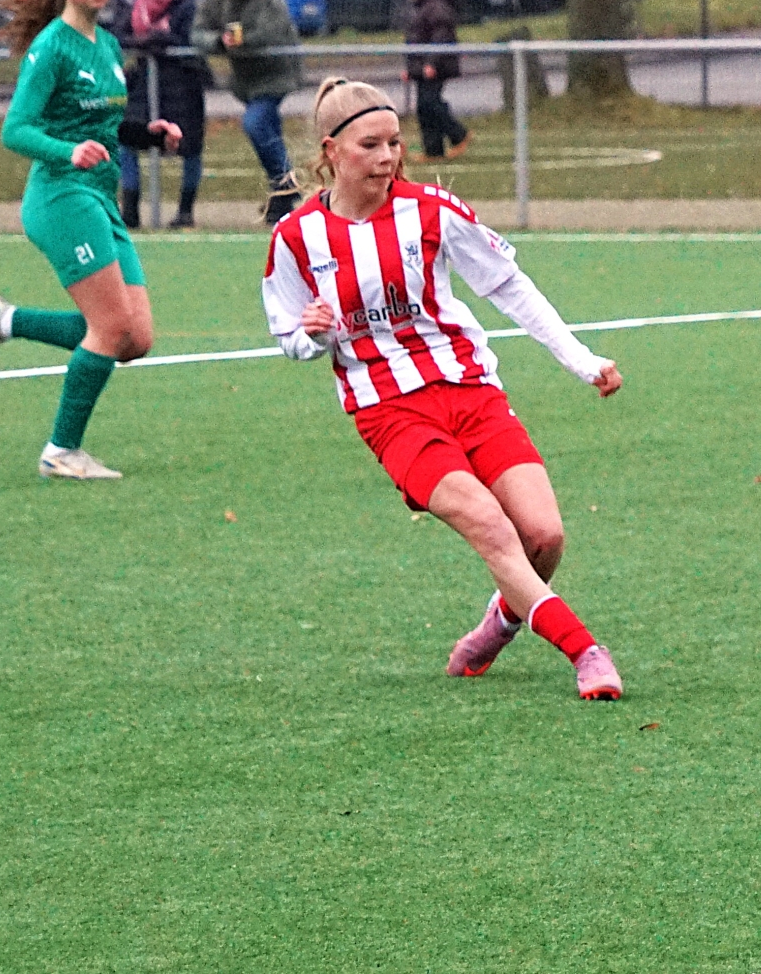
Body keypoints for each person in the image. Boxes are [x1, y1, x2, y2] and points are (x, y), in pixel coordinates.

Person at [262, 77, 625, 700]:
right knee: (491, 526)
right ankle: (585, 651)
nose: (387, 157)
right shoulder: (296, 237)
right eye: (370, 145)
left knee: (544, 536)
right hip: (389, 412)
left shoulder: (432, 210)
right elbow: (290, 336)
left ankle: (500, 624)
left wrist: (580, 359)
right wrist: (313, 335)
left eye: (394, 142)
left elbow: (508, 285)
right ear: (331, 151)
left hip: (470, 390)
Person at [0, 0, 181, 479]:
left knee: (135, 339)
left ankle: (5, 321)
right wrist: (67, 152)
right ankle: (61, 451)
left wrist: (147, 135)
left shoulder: (107, 45)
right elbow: (15, 130)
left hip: (98, 198)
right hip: (61, 196)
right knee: (112, 326)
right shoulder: (51, 47)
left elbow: (101, 126)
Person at [193, 0, 303, 223]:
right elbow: (198, 31)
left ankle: (286, 184)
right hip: (246, 79)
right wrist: (218, 41)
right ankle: (281, 196)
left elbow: (273, 31)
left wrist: (242, 41)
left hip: (276, 73)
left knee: (255, 123)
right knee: (269, 132)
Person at [112, 0, 211, 228]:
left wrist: (164, 40)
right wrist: (143, 42)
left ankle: (185, 211)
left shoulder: (188, 3)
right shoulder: (136, 2)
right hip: (144, 83)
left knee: (190, 146)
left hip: (182, 85)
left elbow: (191, 39)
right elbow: (118, 35)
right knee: (127, 139)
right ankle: (130, 208)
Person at [402, 0, 469, 162]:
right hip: (421, 66)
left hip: (435, 66)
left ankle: (458, 134)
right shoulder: (421, 7)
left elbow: (441, 38)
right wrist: (411, 68)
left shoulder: (436, 7)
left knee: (430, 103)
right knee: (424, 107)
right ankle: (433, 150)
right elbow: (415, 40)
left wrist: (431, 63)